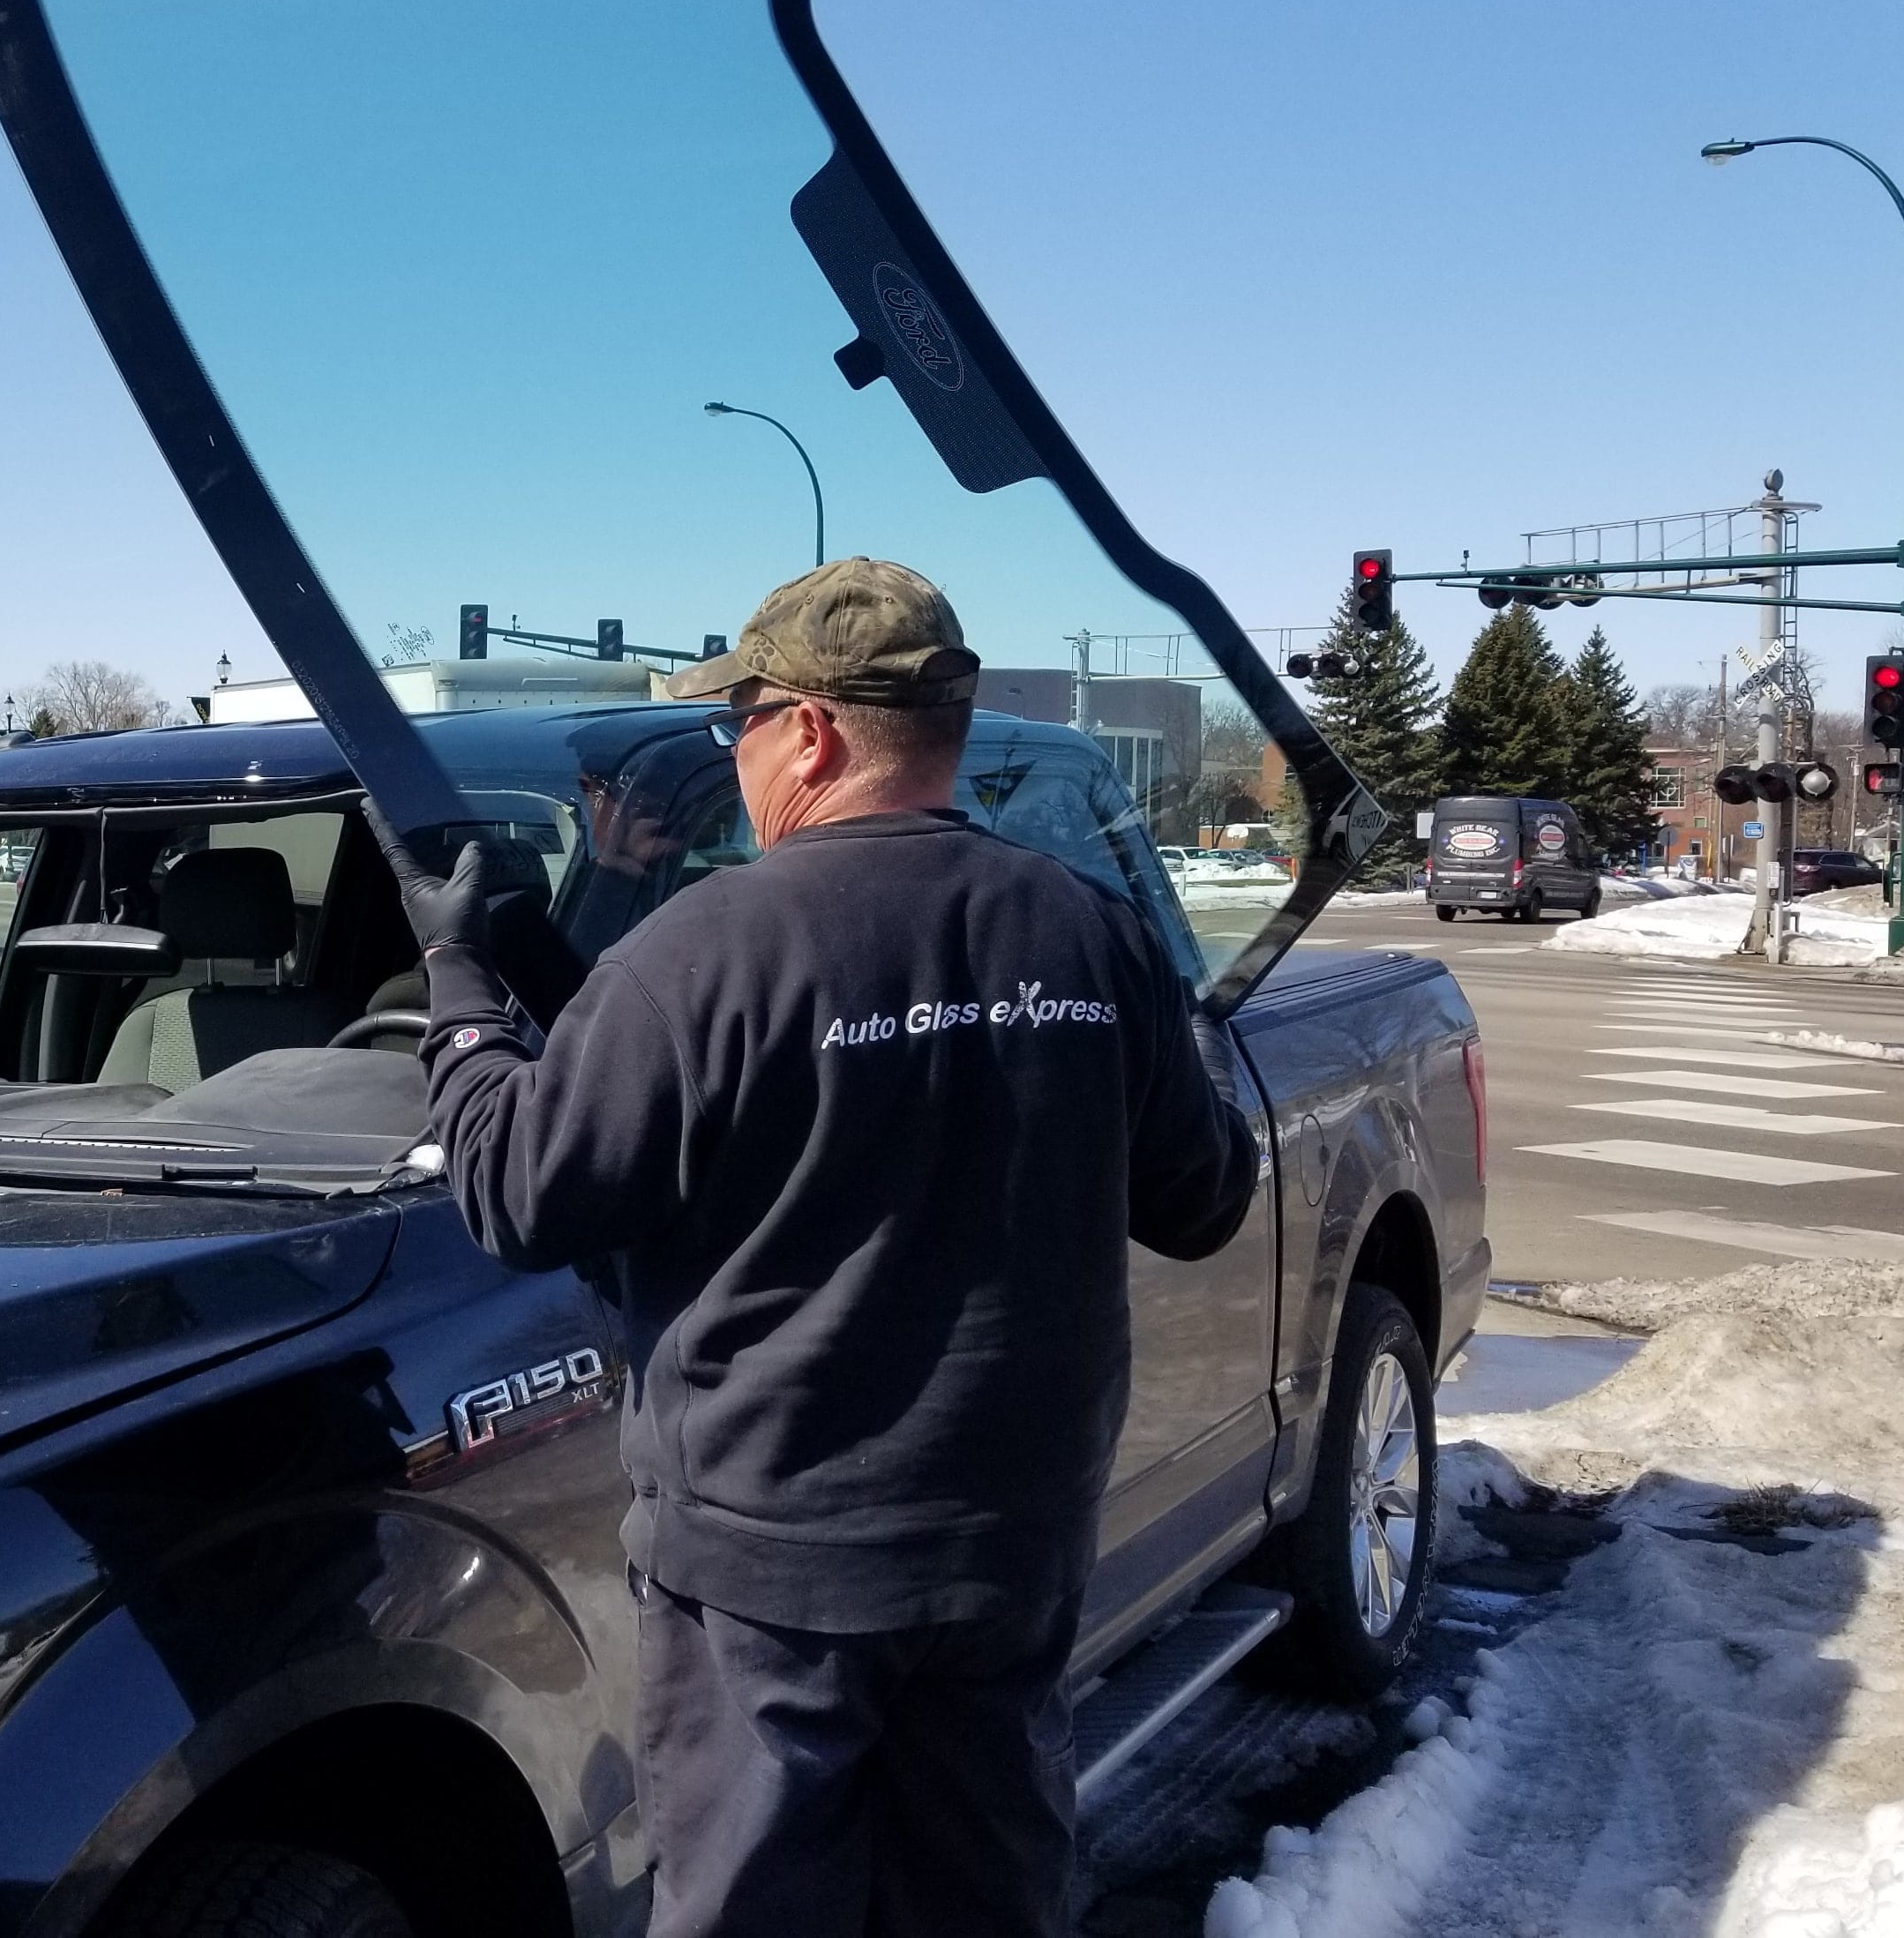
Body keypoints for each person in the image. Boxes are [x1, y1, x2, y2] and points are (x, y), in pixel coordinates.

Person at [371, 559, 1256, 1937]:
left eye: (744, 722)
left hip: (772, 1585)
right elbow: (1201, 1203)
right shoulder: (1087, 932)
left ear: (816, 730)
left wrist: (463, 980)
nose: (734, 753)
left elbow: (515, 1190)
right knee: (987, 1899)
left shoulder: (706, 949)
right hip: (1010, 1549)